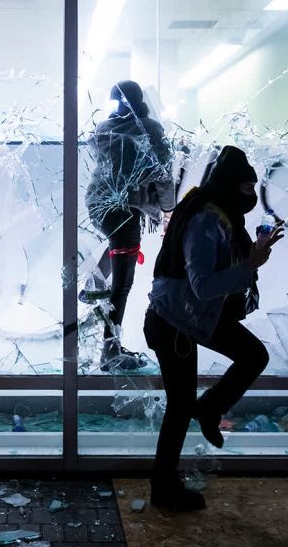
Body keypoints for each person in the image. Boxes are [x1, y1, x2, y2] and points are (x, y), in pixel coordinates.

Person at [145, 145, 282, 510]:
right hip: (174, 321)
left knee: (253, 356)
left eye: (253, 189)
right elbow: (202, 285)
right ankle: (164, 488)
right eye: (245, 189)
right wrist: (250, 264)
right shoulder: (206, 219)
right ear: (228, 186)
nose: (250, 196)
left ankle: (208, 409)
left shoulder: (220, 215)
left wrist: (254, 255)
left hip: (193, 316)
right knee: (179, 404)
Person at [84, 80, 176, 372]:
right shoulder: (149, 129)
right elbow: (161, 174)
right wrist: (168, 210)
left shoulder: (102, 129)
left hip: (99, 206)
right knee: (122, 285)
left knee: (117, 260)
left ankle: (93, 284)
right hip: (123, 211)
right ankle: (109, 351)